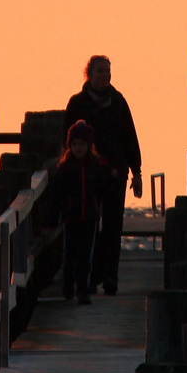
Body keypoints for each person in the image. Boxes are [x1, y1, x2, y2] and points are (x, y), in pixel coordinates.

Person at [65, 55, 143, 296]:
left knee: (113, 225)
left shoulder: (118, 101)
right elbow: (66, 140)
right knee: (88, 226)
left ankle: (110, 277)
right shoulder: (77, 103)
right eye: (100, 71)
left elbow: (130, 136)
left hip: (115, 171)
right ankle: (88, 278)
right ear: (89, 73)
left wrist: (136, 171)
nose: (105, 75)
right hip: (87, 173)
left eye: (108, 71)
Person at [41, 121, 110, 304]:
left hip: (90, 217)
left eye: (82, 144)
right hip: (71, 217)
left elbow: (103, 191)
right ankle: (68, 285)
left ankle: (83, 290)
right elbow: (55, 197)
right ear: (69, 146)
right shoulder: (64, 169)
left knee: (86, 256)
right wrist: (51, 221)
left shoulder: (95, 166)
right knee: (70, 255)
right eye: (75, 144)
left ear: (89, 145)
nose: (78, 148)